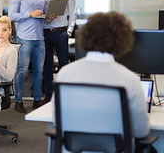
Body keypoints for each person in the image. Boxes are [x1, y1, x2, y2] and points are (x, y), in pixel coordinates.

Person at [55, 11, 150, 139]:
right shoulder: (129, 79)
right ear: (122, 40)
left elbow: (57, 120)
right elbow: (141, 131)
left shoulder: (65, 74)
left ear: (85, 36)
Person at [8, 0, 48, 113]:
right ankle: (18, 101)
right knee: (21, 70)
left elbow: (45, 17)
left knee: (39, 71)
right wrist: (30, 14)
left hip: (40, 38)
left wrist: (49, 17)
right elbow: (11, 16)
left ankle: (37, 100)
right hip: (24, 38)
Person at [41, 0, 76, 103]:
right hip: (46, 32)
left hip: (61, 32)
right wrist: (45, 16)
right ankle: (48, 94)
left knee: (64, 64)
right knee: (47, 65)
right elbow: (39, 12)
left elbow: (73, 13)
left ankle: (64, 94)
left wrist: (69, 31)